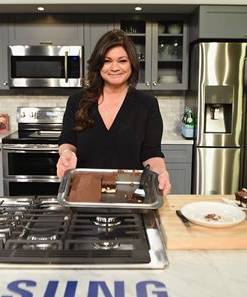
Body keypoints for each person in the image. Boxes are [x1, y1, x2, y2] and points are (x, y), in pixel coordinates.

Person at [56, 29, 171, 195]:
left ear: (131, 64)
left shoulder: (148, 105)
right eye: (107, 61)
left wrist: (161, 172)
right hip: (84, 193)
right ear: (98, 65)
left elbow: (151, 153)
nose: (114, 67)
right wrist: (66, 154)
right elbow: (67, 141)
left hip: (131, 195)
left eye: (122, 61)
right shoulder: (77, 101)